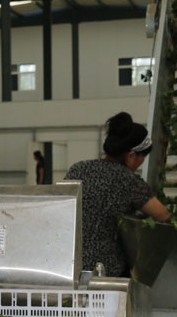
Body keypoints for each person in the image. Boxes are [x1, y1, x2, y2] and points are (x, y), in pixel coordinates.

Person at [64, 112, 170, 277]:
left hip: (68, 265)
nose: (140, 163)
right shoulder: (128, 181)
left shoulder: (78, 169)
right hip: (105, 270)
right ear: (131, 156)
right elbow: (163, 215)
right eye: (142, 158)